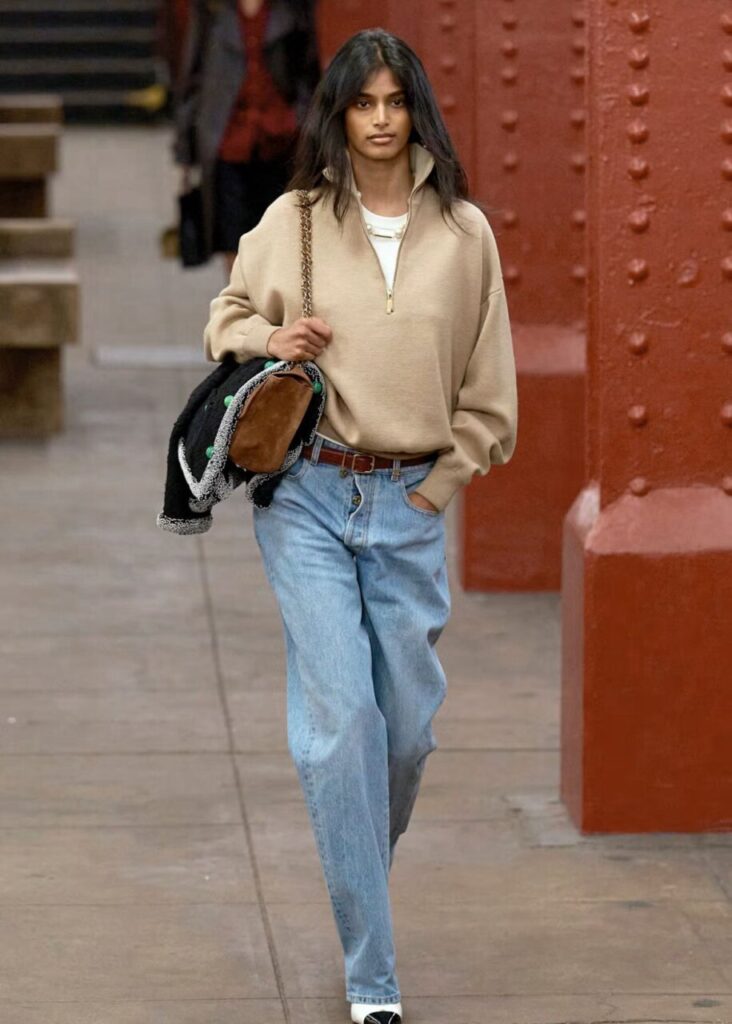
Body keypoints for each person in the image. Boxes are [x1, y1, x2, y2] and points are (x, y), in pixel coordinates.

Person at [202, 27, 518, 1024]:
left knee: (408, 734)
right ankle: (371, 978)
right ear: (337, 113)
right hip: (304, 495)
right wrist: (267, 334)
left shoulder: (466, 234)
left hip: (408, 503)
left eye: (394, 102)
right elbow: (225, 314)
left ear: (415, 110)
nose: (379, 121)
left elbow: (491, 395)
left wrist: (439, 485)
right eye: (361, 103)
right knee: (340, 728)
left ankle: (353, 866)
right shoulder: (295, 219)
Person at [172, 0, 320, 272]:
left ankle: (270, 309)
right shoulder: (211, 10)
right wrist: (185, 146)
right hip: (227, 138)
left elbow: (309, 73)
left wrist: (299, 121)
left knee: (280, 240)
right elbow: (194, 76)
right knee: (233, 242)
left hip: (281, 141)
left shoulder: (292, 9)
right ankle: (241, 310)